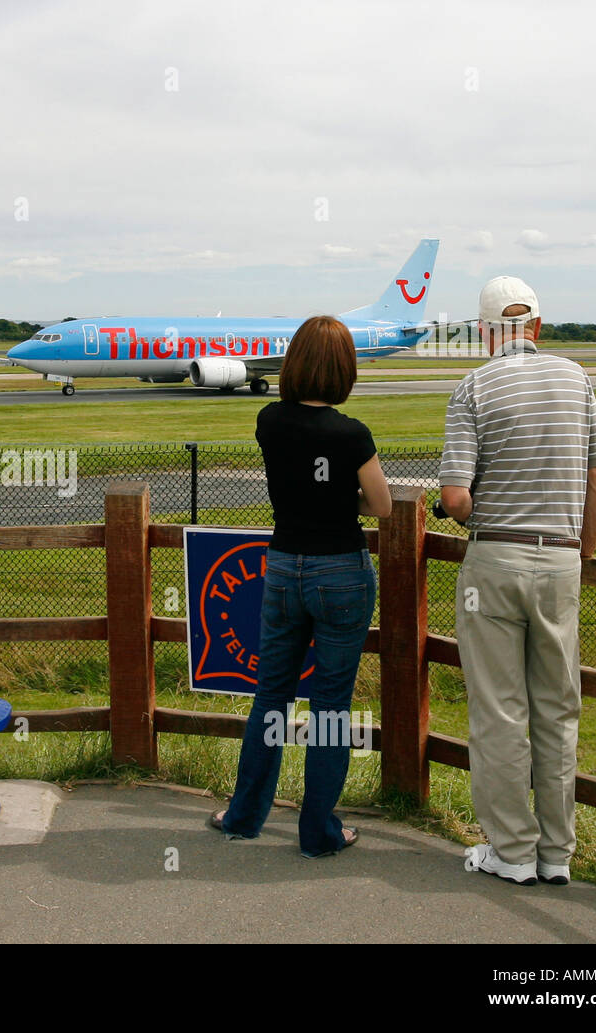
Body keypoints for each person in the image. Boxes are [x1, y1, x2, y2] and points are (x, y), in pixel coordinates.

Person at [438, 276, 596, 887]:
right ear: (536, 326)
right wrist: (581, 551)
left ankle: (512, 849)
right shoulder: (577, 377)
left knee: (499, 710)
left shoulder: (474, 386)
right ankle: (557, 853)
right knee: (558, 709)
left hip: (496, 561)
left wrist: (468, 508)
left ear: (487, 332)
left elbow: (456, 498)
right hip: (561, 561)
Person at [210, 315, 391, 858]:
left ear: (292, 364)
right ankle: (318, 832)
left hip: (284, 567)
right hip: (340, 570)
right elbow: (380, 506)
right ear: (345, 370)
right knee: (331, 706)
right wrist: (343, 498)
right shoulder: (352, 433)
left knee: (272, 696)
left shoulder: (269, 420)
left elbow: (298, 482)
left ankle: (243, 816)